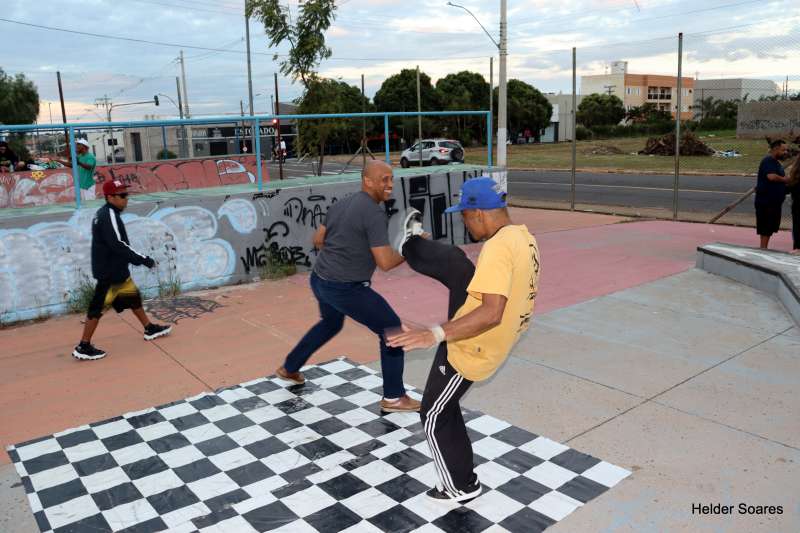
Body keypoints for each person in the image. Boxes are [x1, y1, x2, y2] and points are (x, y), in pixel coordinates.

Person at [387, 177, 541, 503]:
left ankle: (460, 486)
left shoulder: (497, 248)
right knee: (458, 266)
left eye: (465, 217)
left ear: (478, 213)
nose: (465, 223)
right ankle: (411, 243)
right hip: (479, 328)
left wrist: (434, 334)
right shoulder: (522, 238)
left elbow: (492, 313)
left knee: (433, 414)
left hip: (472, 344)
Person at [275, 160, 420, 413]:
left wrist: (345, 252)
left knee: (331, 323)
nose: (389, 184)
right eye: (384, 179)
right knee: (393, 331)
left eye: (391, 179)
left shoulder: (341, 204)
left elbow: (318, 240)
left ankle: (290, 368)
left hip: (319, 279)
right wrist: (411, 246)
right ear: (367, 181)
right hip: (345, 288)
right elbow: (385, 262)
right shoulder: (374, 212)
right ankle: (394, 397)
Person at [72, 179, 172, 360]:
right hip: (110, 273)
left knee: (134, 298)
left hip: (116, 271)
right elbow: (118, 244)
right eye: (122, 195)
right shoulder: (108, 215)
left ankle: (149, 328)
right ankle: (83, 346)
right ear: (110, 197)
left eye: (126, 194)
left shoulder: (106, 213)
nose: (126, 199)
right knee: (97, 308)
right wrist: (143, 259)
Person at [755, 139, 790, 249]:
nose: (786, 152)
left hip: (774, 202)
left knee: (769, 228)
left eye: (786, 150)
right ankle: (763, 249)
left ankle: (763, 249)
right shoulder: (768, 161)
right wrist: (785, 179)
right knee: (765, 228)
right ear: (775, 149)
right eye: (783, 150)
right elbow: (771, 176)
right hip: (766, 202)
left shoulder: (776, 163)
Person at [788, 160, 800, 254]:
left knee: (797, 227)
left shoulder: (795, 176)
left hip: (797, 206)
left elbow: (789, 188)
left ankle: (797, 247)